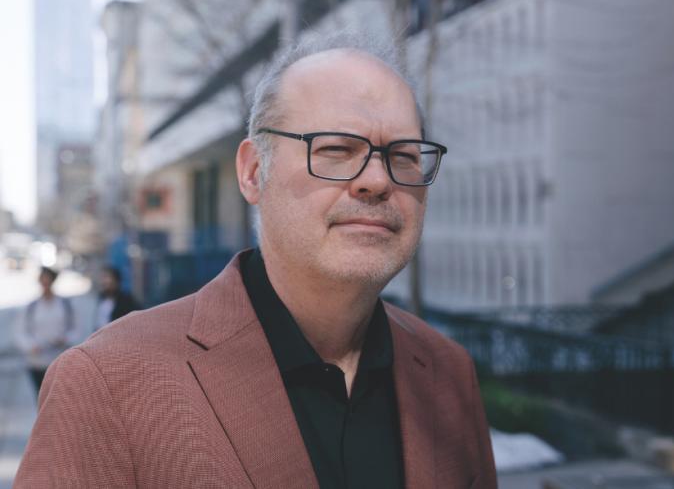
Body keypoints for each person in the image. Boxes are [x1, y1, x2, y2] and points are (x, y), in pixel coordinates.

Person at [16, 34, 497, 488]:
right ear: (252, 172)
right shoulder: (106, 382)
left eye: (405, 155)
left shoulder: (448, 372)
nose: (377, 179)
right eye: (334, 149)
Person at [15, 267, 75, 395]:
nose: (45, 284)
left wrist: (65, 339)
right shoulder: (32, 307)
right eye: (43, 281)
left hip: (59, 360)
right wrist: (31, 346)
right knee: (41, 397)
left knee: (59, 398)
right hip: (37, 362)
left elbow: (74, 329)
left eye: (48, 281)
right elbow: (21, 332)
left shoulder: (65, 305)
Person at [94, 265, 141, 330]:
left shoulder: (126, 301)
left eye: (106, 277)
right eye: (102, 277)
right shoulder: (101, 299)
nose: (103, 281)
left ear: (116, 281)